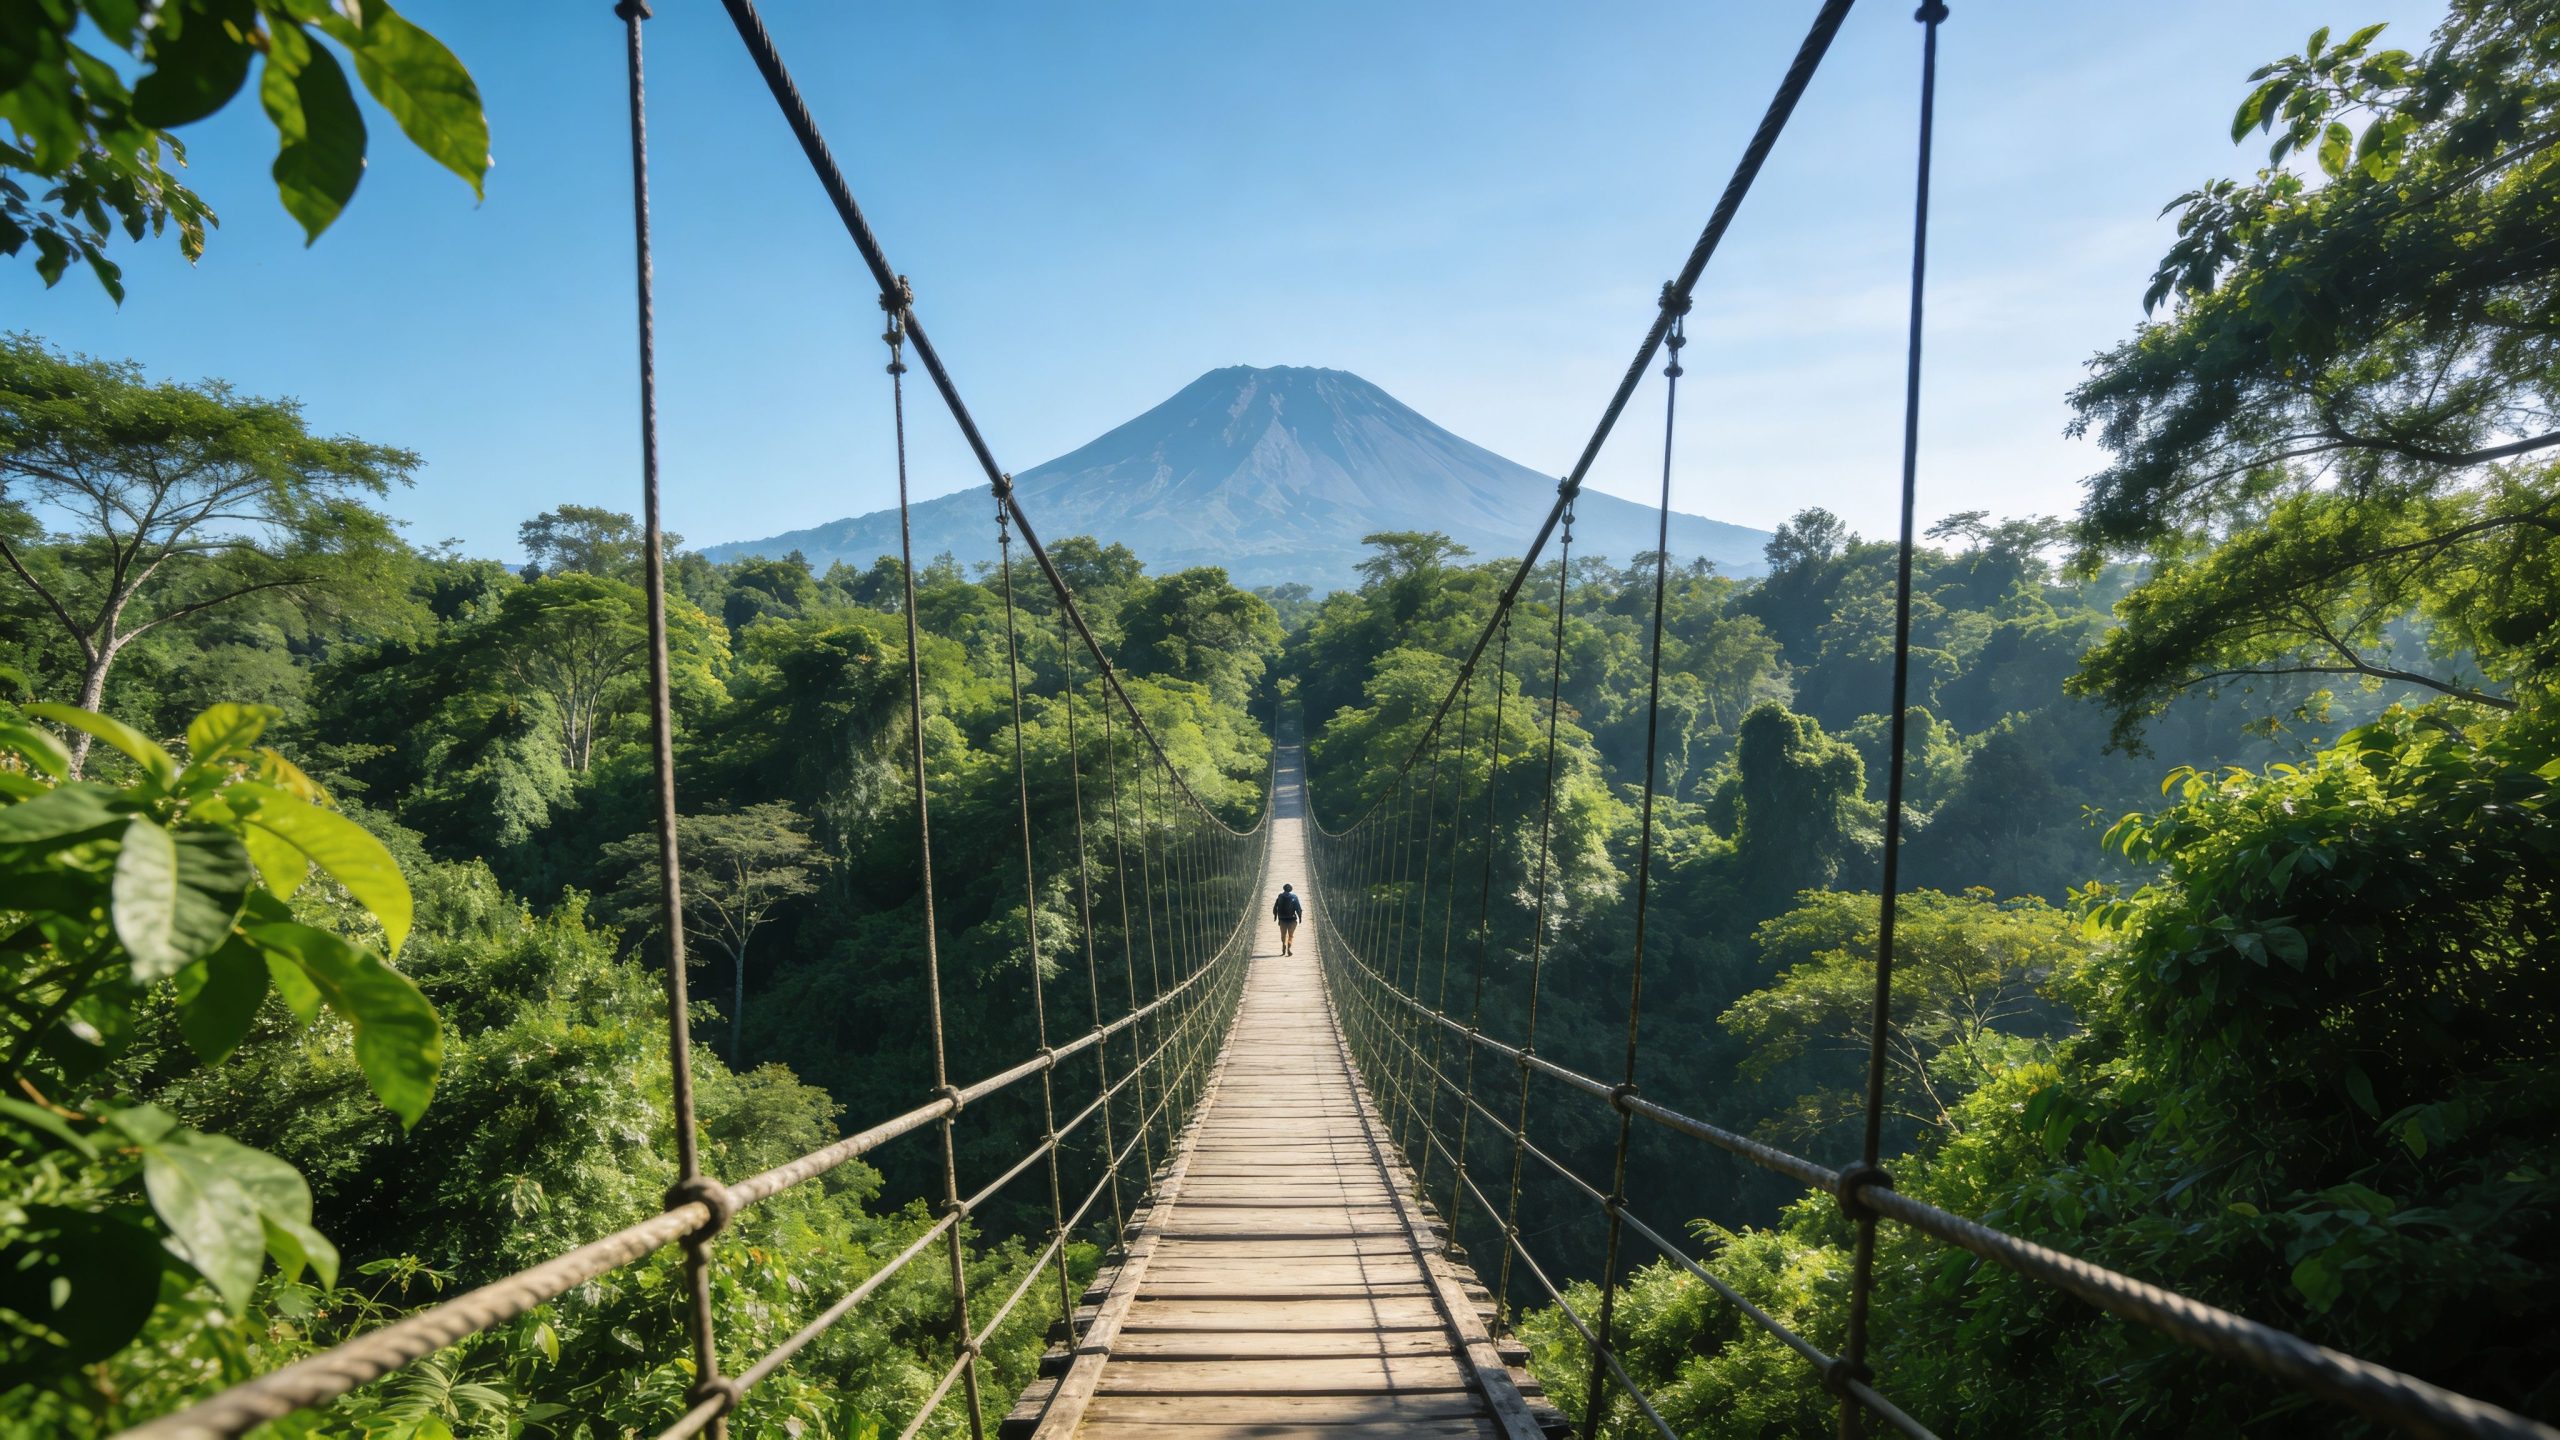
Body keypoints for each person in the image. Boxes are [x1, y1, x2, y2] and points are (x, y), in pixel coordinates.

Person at [1272, 883, 1304, 955]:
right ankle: (1289, 948)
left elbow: (1275, 907)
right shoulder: (1294, 897)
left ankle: (1284, 944)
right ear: (1291, 889)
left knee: (1283, 935)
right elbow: (1298, 909)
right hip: (1292, 919)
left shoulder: (1280, 896)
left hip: (1282, 919)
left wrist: (1275, 916)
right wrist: (1300, 917)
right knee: (1290, 935)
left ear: (1284, 889)